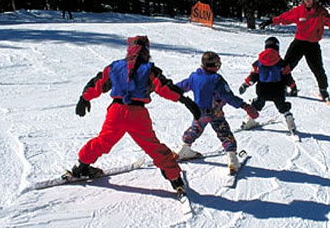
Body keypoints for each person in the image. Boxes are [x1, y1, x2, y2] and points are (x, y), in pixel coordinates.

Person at [69, 35, 201, 197]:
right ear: (146, 51)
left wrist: (85, 97)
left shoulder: (115, 67)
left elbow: (99, 83)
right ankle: (175, 179)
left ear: (129, 49)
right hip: (137, 115)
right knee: (153, 146)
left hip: (115, 113)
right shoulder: (149, 69)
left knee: (103, 141)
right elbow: (164, 87)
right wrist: (184, 100)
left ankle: (81, 166)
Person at [259, 0, 330, 101]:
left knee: (318, 69)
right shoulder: (299, 11)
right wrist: (271, 21)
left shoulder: (320, 12)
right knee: (286, 66)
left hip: (312, 45)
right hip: (298, 43)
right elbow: (285, 17)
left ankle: (323, 90)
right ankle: (282, 86)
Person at [175, 51, 259, 174]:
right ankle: (232, 159)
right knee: (224, 133)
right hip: (215, 112)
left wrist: (166, 87)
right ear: (215, 65)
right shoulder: (217, 79)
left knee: (195, 129)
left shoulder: (194, 77)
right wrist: (245, 106)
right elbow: (229, 97)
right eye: (218, 64)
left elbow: (181, 86)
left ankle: (184, 149)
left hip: (199, 112)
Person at [239, 36, 298, 133]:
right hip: (278, 91)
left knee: (257, 104)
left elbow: (253, 77)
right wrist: (293, 87)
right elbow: (288, 78)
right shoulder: (282, 64)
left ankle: (248, 121)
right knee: (282, 106)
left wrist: (245, 85)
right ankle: (290, 122)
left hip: (262, 91)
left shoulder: (258, 63)